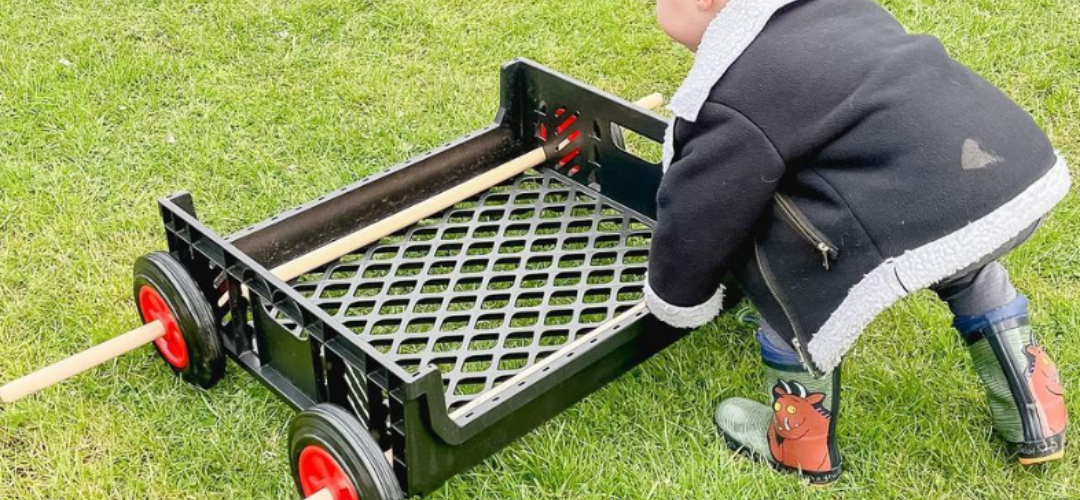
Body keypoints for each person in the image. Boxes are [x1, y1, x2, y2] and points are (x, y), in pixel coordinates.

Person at [646, 0, 1071, 484]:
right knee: (966, 258)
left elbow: (702, 209)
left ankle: (799, 445)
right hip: (1006, 173)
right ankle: (1036, 411)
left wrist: (679, 297)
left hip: (930, 204)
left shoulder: (732, 92)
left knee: (775, 244)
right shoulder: (842, 10)